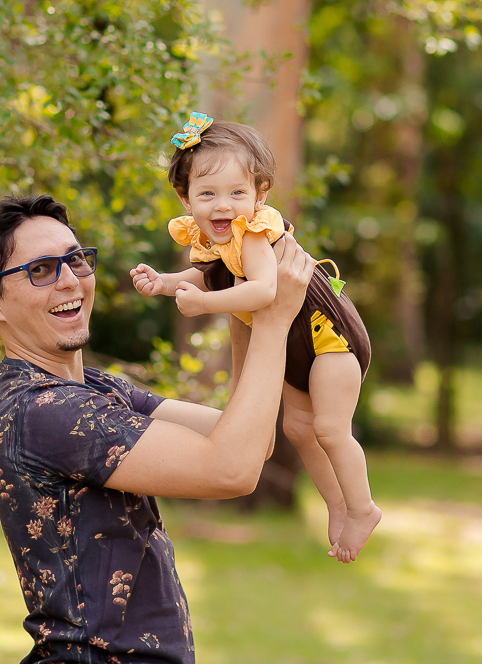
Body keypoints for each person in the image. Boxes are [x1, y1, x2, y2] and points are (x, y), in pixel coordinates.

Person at [0, 193, 314, 664]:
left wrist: (242, 307)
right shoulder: (47, 411)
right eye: (41, 271)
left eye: (76, 260)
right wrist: (275, 318)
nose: (71, 281)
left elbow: (249, 438)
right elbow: (232, 471)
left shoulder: (95, 390)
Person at [129, 113, 380, 563]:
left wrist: (203, 306)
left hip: (330, 340)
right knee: (298, 429)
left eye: (236, 193)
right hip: (298, 347)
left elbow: (265, 289)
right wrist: (165, 282)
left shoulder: (256, 236)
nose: (222, 205)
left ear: (260, 195)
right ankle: (337, 503)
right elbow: (211, 277)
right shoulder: (217, 245)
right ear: (185, 199)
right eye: (207, 194)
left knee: (328, 428)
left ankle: (363, 507)